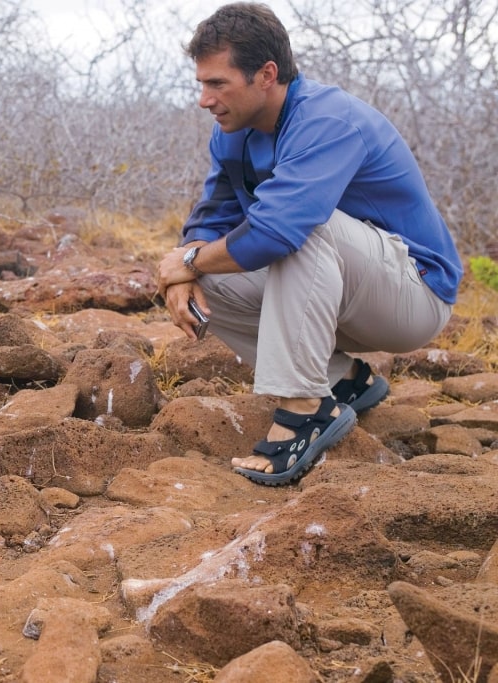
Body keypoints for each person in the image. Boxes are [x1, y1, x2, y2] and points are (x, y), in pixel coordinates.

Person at [155, 2, 462, 486]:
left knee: (299, 231)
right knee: (212, 276)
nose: (204, 99)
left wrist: (185, 259)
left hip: (413, 296)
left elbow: (279, 231)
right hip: (345, 295)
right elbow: (212, 216)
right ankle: (342, 380)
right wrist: (187, 271)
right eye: (201, 84)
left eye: (217, 84)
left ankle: (305, 406)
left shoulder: (328, 119)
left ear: (266, 74)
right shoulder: (234, 133)